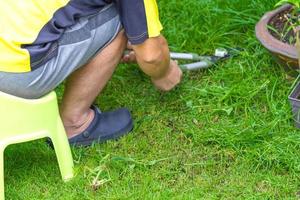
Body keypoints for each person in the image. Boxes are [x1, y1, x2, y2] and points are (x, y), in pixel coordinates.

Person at [0, 0, 182, 146]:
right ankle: (74, 123)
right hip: (18, 73)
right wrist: (164, 73)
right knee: (123, 16)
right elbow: (151, 56)